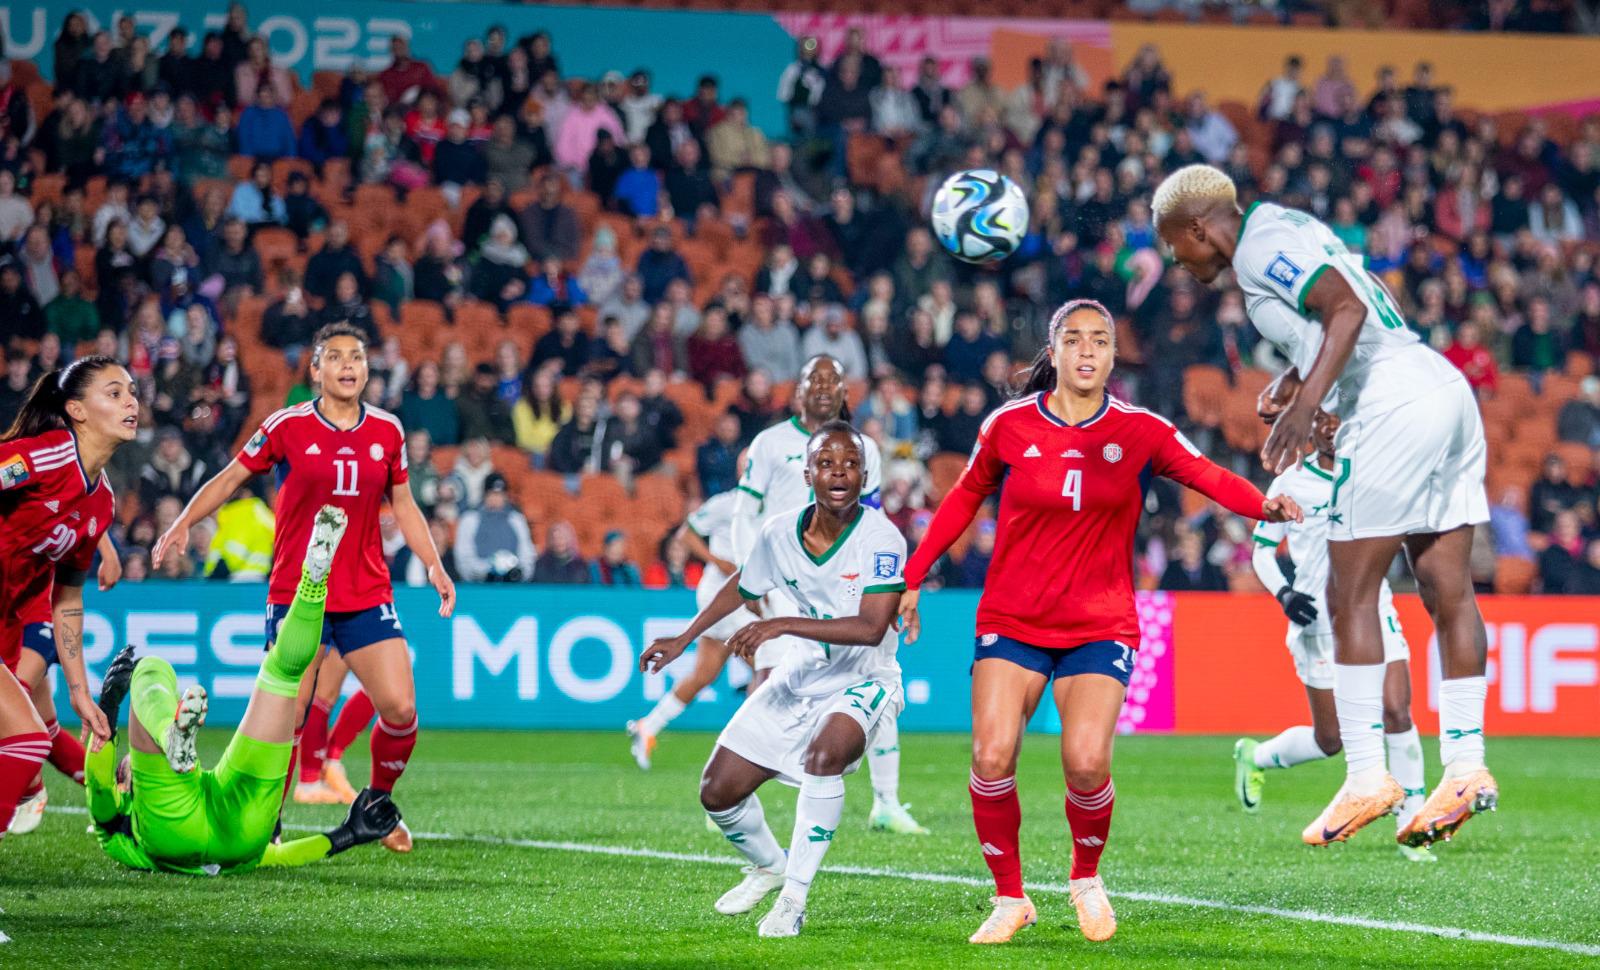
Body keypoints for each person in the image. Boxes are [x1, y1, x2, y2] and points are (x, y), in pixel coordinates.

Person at [897, 300, 1302, 944]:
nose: (1087, 350)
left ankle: (1085, 877)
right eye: (1074, 339)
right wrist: (914, 575)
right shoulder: (1007, 427)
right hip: (1014, 616)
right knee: (991, 753)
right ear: (1053, 352)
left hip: (1100, 621)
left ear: (1113, 358)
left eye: (1100, 341)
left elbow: (1204, 473)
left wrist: (1264, 505)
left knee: (1085, 763)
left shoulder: (1142, 430)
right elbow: (964, 497)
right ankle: (1010, 899)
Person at [1153, 164, 1497, 849]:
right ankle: (1464, 766)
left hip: (1391, 404)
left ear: (1197, 229)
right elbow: (1347, 313)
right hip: (1440, 388)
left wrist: (1309, 405)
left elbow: (1346, 307)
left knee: (1349, 594)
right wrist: (1297, 379)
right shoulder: (1287, 225)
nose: (1177, 263)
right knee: (1448, 592)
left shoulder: (1254, 247)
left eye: (1174, 248)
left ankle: (1368, 775)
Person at [153, 324, 457, 854]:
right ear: (315, 371)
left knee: (401, 709)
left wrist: (433, 564)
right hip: (298, 592)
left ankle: (376, 805)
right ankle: (266, 817)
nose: (347, 365)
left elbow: (403, 503)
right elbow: (229, 478)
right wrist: (182, 522)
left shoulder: (388, 430)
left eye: (357, 357)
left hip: (365, 592)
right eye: (334, 357)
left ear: (367, 369)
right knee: (289, 715)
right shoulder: (285, 426)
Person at [640, 421, 908, 938]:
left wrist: (781, 622)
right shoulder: (779, 531)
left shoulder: (880, 538)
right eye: (826, 463)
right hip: (803, 671)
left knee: (825, 756)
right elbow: (741, 585)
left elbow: (873, 628)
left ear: (864, 473)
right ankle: (769, 865)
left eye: (850, 464)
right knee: (717, 792)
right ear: (807, 472)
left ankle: (793, 899)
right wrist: (684, 639)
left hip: (865, 678)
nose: (839, 473)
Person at [87, 509, 402, 872]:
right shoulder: (127, 806)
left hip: (184, 832)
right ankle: (315, 582)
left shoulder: (122, 831)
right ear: (124, 786)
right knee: (159, 667)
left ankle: (314, 577)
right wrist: (107, 714)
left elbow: (100, 798)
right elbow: (100, 792)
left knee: (282, 673)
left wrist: (347, 834)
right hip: (239, 831)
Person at [731, 355, 923, 836]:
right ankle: (738, 785)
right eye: (812, 378)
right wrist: (747, 577)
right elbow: (743, 514)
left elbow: (873, 519)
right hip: (783, 585)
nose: (821, 387)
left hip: (847, 585)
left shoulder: (867, 450)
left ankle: (886, 801)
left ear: (845, 393)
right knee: (772, 678)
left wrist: (896, 586)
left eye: (831, 379)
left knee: (874, 680)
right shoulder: (770, 444)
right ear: (797, 391)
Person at [1239, 409, 1432, 861]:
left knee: (1396, 710)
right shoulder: (1291, 482)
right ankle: (1256, 756)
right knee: (1331, 741)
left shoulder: (1373, 473)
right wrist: (1284, 593)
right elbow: (1263, 550)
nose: (1331, 427)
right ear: (1309, 427)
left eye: (1340, 418)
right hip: (1316, 619)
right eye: (1322, 418)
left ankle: (1414, 826)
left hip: (1372, 606)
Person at [0, 356, 138, 838]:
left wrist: (80, 691)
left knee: (26, 736)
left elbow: (68, 601)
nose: (131, 402)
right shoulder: (45, 454)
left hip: (10, 624)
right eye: (114, 392)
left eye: (132, 392)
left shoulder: (101, 503)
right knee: (25, 738)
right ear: (77, 410)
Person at [627, 469, 754, 770]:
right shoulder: (726, 503)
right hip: (721, 593)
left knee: (704, 674)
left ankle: (648, 726)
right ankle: (750, 748)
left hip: (744, 592)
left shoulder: (773, 504)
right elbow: (686, 533)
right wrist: (717, 560)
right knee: (770, 668)